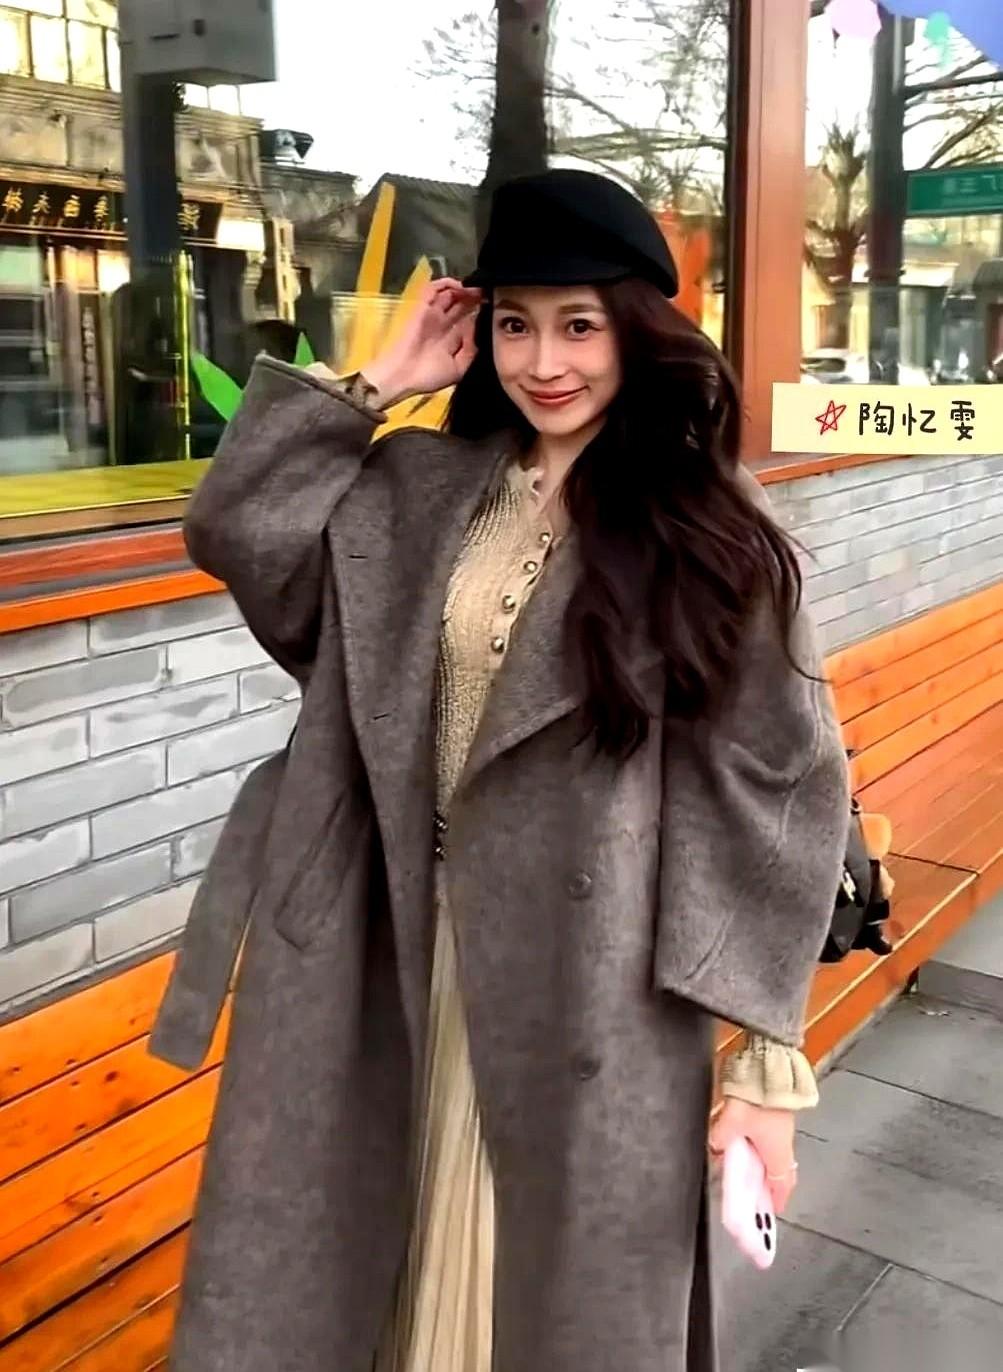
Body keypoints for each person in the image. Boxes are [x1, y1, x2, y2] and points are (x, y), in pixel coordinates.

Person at [150, 170, 849, 1372]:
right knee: (357, 1268)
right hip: (387, 944)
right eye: (516, 324)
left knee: (526, 1300)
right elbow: (238, 534)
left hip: (585, 981)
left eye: (579, 325)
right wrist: (375, 386)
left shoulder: (705, 531)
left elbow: (774, 787)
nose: (544, 362)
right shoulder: (419, 485)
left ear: (638, 331)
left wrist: (764, 1063)